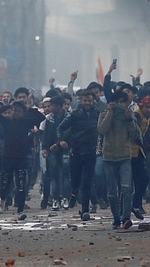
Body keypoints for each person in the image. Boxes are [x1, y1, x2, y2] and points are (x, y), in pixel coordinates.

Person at [97, 90, 142, 229]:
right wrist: (110, 113)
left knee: (126, 187)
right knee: (112, 191)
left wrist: (129, 120)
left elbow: (135, 135)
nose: (121, 104)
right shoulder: (104, 113)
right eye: (118, 102)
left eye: (123, 102)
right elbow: (101, 130)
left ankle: (126, 218)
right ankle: (116, 217)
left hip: (125, 156)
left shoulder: (130, 115)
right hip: (109, 156)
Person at [0, 100, 45, 219]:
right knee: (5, 182)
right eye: (14, 111)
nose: (16, 113)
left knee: (21, 183)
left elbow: (41, 117)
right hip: (7, 157)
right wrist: (7, 106)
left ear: (23, 113)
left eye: (19, 111)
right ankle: (2, 200)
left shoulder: (27, 122)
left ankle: (20, 208)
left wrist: (28, 108)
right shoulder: (6, 122)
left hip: (21, 157)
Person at [58, 92, 100, 220]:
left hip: (91, 152)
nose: (87, 103)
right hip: (76, 151)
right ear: (80, 101)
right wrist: (61, 141)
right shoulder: (74, 114)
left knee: (87, 181)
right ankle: (74, 193)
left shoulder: (98, 114)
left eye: (89, 101)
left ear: (93, 102)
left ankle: (85, 210)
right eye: (85, 100)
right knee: (75, 180)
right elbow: (60, 128)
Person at [41, 95, 71, 211]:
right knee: (53, 175)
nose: (50, 107)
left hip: (65, 149)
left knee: (65, 174)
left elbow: (69, 132)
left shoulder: (68, 117)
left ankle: (65, 198)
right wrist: (45, 148)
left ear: (59, 106)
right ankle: (55, 199)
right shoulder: (49, 118)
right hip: (52, 150)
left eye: (52, 105)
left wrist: (61, 143)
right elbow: (46, 135)